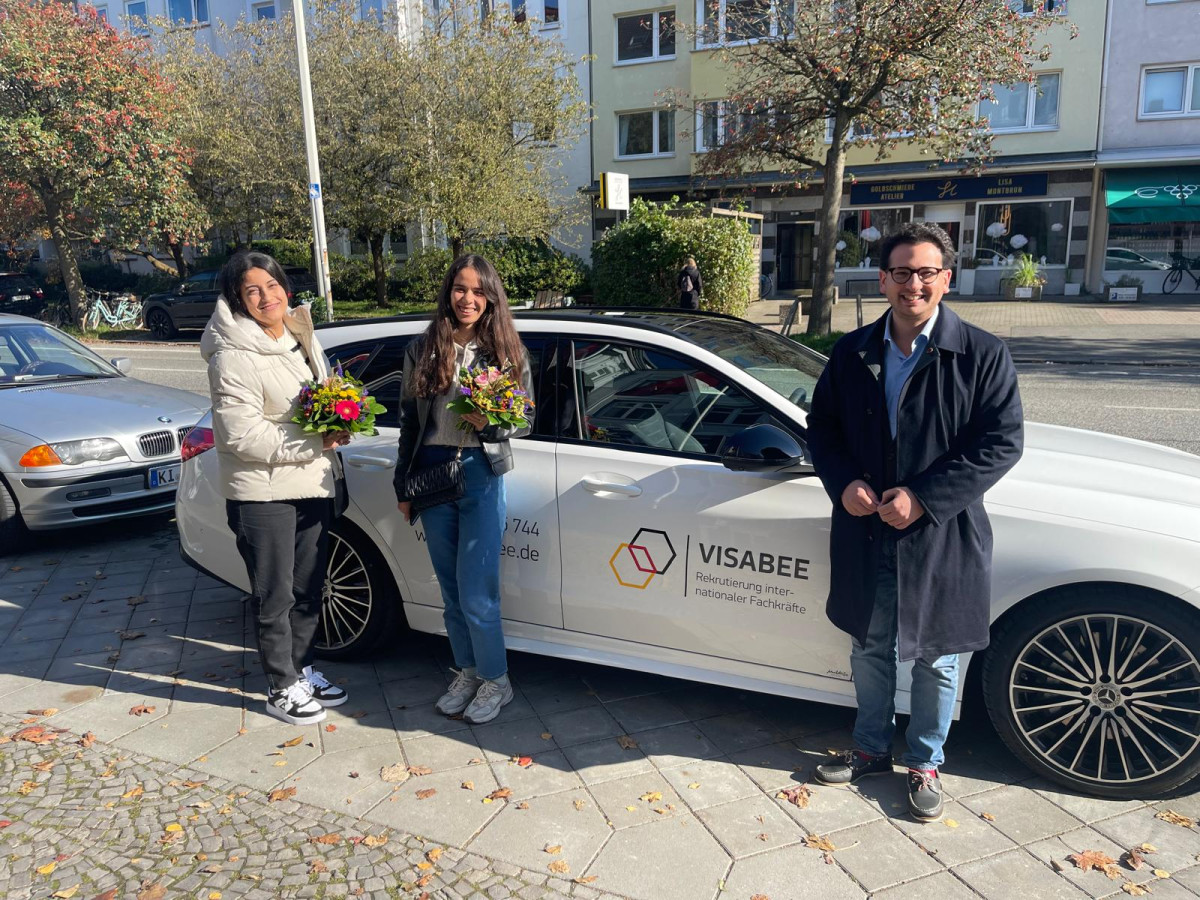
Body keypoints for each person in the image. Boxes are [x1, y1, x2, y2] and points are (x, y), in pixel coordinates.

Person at [805, 223, 1023, 821]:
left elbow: (1001, 444)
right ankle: (872, 748)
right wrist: (842, 481)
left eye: (927, 272)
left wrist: (925, 499)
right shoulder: (851, 353)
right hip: (866, 527)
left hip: (939, 533)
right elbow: (821, 429)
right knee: (871, 645)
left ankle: (925, 760)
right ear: (883, 279)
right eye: (902, 272)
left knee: (936, 655)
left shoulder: (981, 353)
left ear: (946, 279)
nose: (914, 284)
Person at [202, 251, 349, 726]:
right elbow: (239, 434)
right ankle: (280, 686)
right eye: (252, 291)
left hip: (312, 483)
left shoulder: (298, 335)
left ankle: (302, 668)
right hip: (262, 494)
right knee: (275, 594)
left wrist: (340, 417)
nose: (267, 297)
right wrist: (316, 440)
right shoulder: (232, 354)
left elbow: (319, 399)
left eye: (272, 285)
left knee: (309, 588)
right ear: (237, 300)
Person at [393, 254, 532, 725]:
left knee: (477, 592)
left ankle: (498, 679)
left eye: (477, 291)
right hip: (433, 474)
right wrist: (402, 483)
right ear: (448, 292)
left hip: (481, 474)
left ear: (490, 296)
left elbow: (526, 420)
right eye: (459, 288)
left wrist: (492, 424)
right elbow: (410, 423)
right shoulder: (424, 347)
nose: (467, 299)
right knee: (451, 591)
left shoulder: (506, 351)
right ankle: (468, 671)